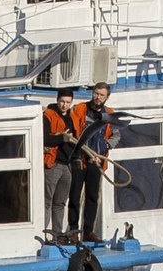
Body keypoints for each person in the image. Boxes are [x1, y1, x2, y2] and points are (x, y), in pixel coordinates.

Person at [69, 81, 118, 242]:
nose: (98, 97)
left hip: (96, 161)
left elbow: (116, 136)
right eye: (96, 93)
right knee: (75, 196)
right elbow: (72, 130)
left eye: (102, 95)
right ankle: (73, 231)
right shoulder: (79, 109)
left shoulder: (110, 114)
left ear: (107, 97)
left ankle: (88, 231)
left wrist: (104, 147)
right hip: (79, 159)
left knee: (92, 197)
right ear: (92, 93)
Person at [40, 87, 77, 241]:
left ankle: (58, 234)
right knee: (47, 201)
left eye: (68, 102)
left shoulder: (72, 117)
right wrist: (62, 138)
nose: (64, 105)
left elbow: (77, 137)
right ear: (57, 100)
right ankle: (45, 234)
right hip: (53, 163)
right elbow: (44, 138)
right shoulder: (47, 115)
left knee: (60, 202)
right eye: (62, 101)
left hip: (67, 165)